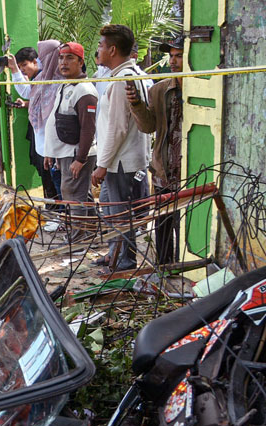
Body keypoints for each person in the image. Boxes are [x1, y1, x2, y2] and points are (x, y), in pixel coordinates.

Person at [91, 24, 152, 272]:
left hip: (121, 161)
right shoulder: (130, 74)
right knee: (110, 208)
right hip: (124, 158)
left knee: (120, 214)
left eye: (101, 46)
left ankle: (125, 261)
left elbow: (117, 128)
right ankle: (114, 253)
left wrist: (102, 165)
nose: (98, 50)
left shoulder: (122, 80)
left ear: (113, 50)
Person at [128, 34, 184, 266]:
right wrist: (136, 104)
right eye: (171, 56)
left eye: (179, 56)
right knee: (163, 223)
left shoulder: (201, 89)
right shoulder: (159, 90)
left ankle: (186, 265)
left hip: (189, 169)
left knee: (187, 223)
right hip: (164, 168)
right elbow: (148, 126)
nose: (173, 61)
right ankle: (164, 266)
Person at [42, 42, 98, 217]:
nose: (63, 62)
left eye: (69, 58)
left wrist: (80, 159)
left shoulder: (84, 91)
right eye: (61, 58)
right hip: (65, 153)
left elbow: (88, 128)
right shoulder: (66, 86)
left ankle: (79, 233)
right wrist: (50, 151)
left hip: (76, 154)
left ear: (81, 62)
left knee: (73, 197)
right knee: (81, 197)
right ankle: (92, 232)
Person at [8, 41, 61, 198]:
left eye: (41, 58)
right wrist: (14, 70)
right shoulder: (42, 78)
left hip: (56, 146)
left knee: (59, 187)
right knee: (50, 185)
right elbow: (29, 93)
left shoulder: (56, 81)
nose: (40, 61)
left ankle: (62, 212)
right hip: (44, 145)